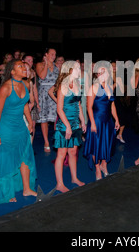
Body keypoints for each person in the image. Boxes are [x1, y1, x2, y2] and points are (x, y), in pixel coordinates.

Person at [0, 60, 37, 204]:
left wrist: (30, 121)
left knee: (25, 156)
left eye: (24, 66)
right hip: (6, 129)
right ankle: (7, 193)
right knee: (8, 160)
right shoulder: (6, 87)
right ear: (12, 71)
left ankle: (27, 188)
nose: (24, 68)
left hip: (20, 127)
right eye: (20, 66)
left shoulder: (25, 84)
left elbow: (24, 105)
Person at [53, 61, 86, 193]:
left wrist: (82, 121)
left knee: (73, 152)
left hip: (75, 124)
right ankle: (60, 184)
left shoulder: (77, 84)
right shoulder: (63, 86)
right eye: (77, 68)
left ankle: (74, 178)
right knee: (62, 154)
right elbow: (59, 109)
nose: (80, 70)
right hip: (64, 124)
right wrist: (67, 126)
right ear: (70, 70)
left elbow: (78, 105)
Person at [84, 63, 120, 180]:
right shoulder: (93, 87)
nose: (101, 74)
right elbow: (88, 107)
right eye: (99, 73)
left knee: (106, 143)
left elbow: (112, 106)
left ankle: (104, 165)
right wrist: (93, 123)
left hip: (108, 120)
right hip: (97, 120)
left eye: (103, 72)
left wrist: (117, 120)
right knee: (96, 144)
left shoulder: (109, 87)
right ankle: (97, 168)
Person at [36, 48, 59, 152]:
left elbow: (59, 81)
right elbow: (42, 76)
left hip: (54, 94)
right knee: (44, 119)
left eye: (55, 54)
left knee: (56, 118)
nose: (53, 56)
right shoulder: (39, 65)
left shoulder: (57, 67)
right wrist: (46, 63)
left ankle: (56, 139)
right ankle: (46, 141)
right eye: (51, 54)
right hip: (44, 94)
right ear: (46, 54)